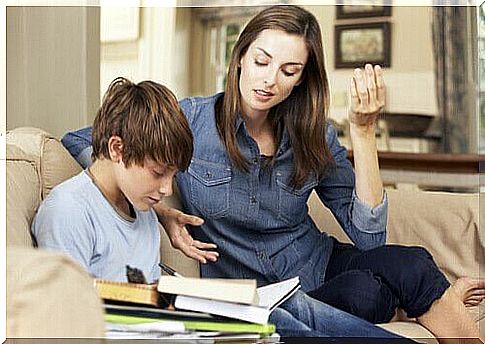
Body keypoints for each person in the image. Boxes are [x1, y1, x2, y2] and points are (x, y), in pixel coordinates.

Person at [61, 5, 484, 340]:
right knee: (366, 294)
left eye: (289, 71)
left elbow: (368, 236)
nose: (269, 81)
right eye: (262, 61)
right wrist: (159, 211)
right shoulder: (188, 118)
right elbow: (82, 141)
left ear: (301, 79)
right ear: (241, 56)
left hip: (319, 264)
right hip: (262, 293)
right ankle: (430, 301)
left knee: (410, 263)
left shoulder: (312, 133)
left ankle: (430, 300)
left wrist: (364, 131)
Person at [32, 77, 193, 283]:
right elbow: (65, 308)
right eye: (158, 172)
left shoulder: (144, 212)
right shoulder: (68, 211)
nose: (167, 190)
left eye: (174, 176)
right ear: (117, 149)